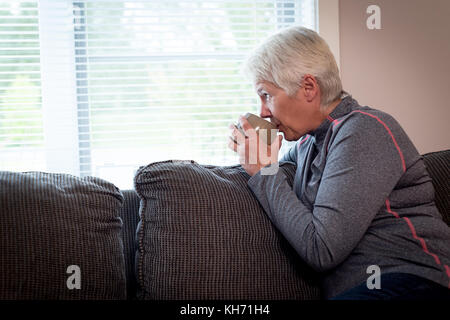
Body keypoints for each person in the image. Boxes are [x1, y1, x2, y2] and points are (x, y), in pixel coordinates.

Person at [228, 26, 450, 300]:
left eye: (266, 95)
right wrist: (253, 153)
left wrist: (264, 171)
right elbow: (274, 182)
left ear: (308, 88)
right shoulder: (308, 144)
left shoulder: (365, 130)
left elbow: (322, 249)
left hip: (414, 280)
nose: (262, 110)